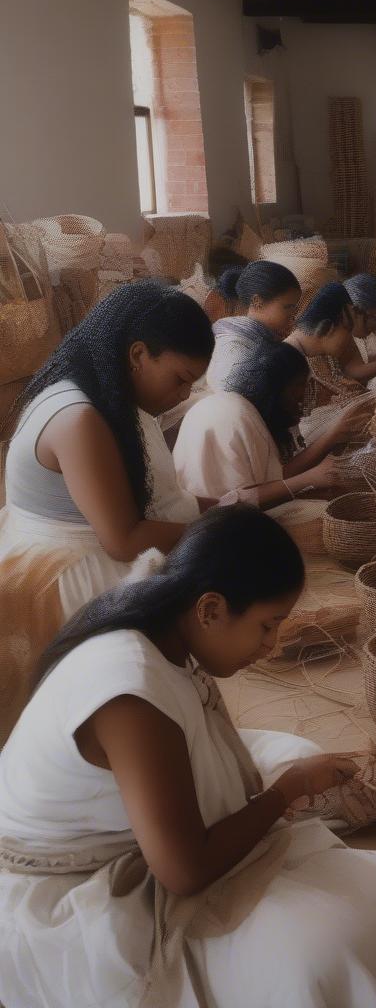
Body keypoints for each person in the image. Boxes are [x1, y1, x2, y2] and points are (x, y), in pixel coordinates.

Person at [0, 506, 376, 1008]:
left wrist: (291, 780)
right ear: (210, 610)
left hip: (120, 816)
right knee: (324, 949)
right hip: (59, 882)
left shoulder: (161, 620)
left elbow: (190, 733)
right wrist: (287, 791)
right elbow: (185, 872)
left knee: (304, 761)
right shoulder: (131, 696)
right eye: (267, 626)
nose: (271, 646)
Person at [0, 282, 213, 740]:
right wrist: (215, 523)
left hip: (53, 548)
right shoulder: (78, 418)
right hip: (59, 576)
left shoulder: (90, 391)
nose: (183, 395)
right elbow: (123, 539)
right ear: (138, 354)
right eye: (179, 378)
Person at [174, 344, 371, 509]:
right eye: (297, 391)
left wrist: (332, 436)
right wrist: (310, 478)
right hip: (218, 528)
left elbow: (276, 477)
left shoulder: (245, 409)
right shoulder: (235, 416)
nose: (301, 400)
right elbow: (235, 503)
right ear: (274, 389)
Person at [206, 261, 301, 391]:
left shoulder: (261, 338)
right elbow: (230, 393)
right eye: (288, 307)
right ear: (257, 302)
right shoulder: (237, 345)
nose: (293, 316)